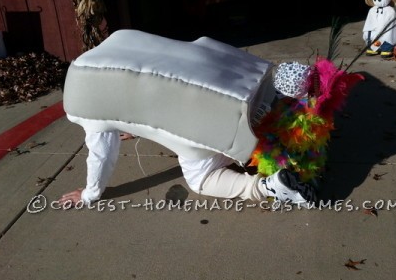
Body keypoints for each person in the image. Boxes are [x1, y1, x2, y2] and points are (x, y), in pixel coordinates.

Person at [57, 61, 319, 209]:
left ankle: (270, 187)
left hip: (225, 124)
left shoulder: (88, 104)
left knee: (200, 179)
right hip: (253, 90)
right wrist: (130, 126)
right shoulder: (121, 58)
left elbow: (101, 155)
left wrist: (89, 194)